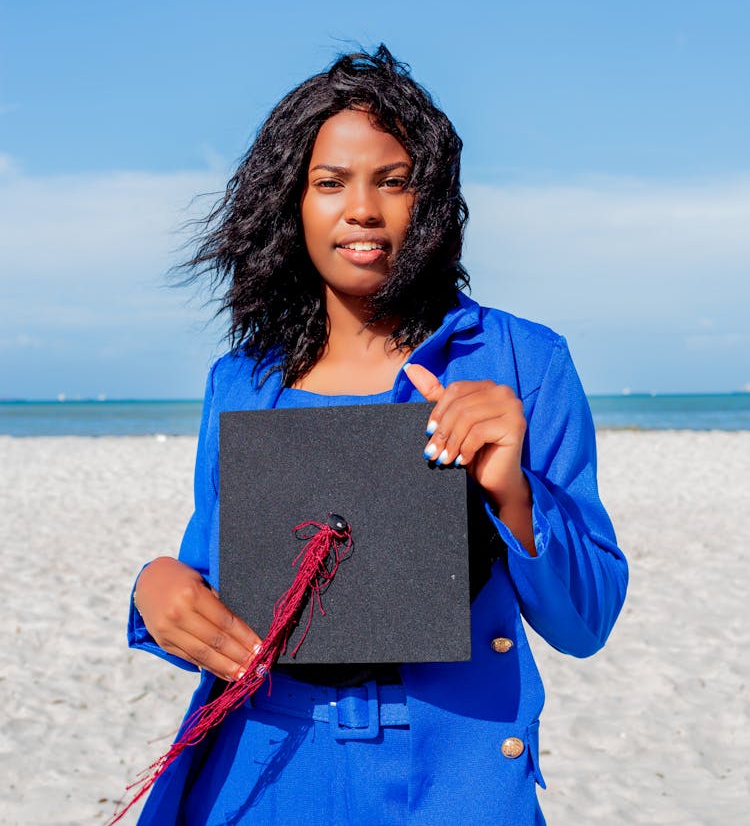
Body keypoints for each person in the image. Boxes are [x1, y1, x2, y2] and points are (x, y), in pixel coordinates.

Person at [128, 45, 628, 825]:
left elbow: (587, 620)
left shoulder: (523, 361)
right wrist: (154, 591)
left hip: (454, 776)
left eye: (393, 181)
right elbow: (213, 578)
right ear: (291, 203)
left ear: (431, 200)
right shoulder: (243, 380)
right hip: (263, 768)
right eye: (329, 182)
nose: (362, 208)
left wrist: (512, 489)